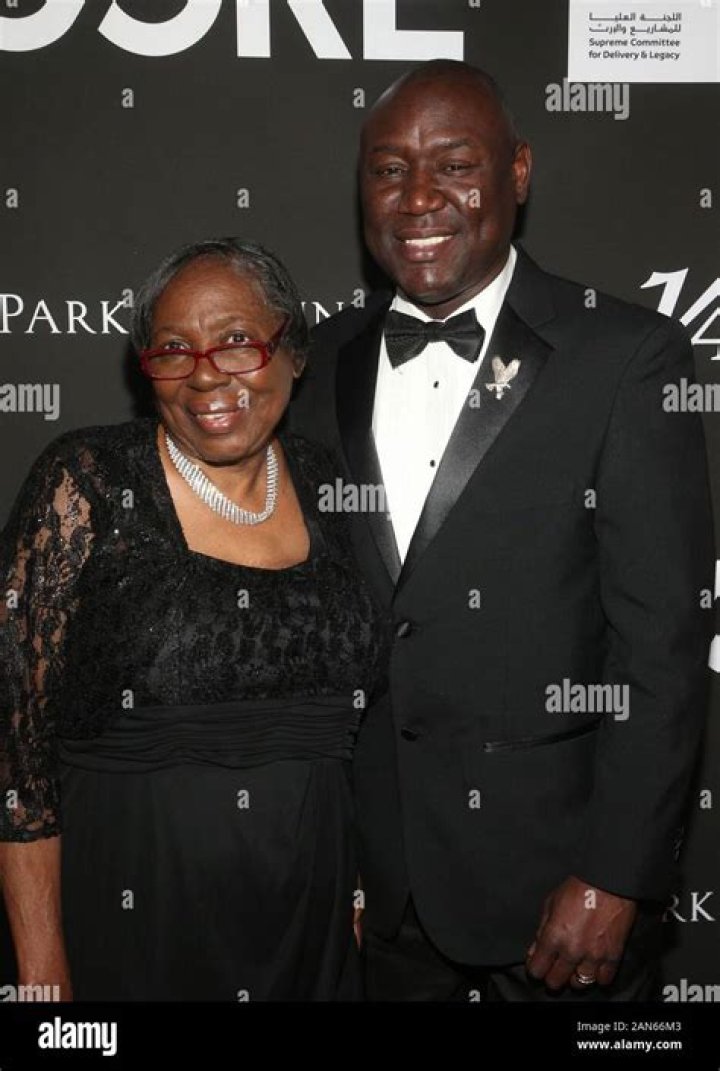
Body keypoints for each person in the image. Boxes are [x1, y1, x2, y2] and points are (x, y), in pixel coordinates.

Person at [289, 61, 715, 1001]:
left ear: (517, 172)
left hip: (561, 896)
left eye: (455, 165)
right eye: (389, 169)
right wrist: (339, 862)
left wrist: (616, 875)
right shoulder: (318, 364)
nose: (418, 197)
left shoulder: (625, 356)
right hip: (381, 903)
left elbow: (663, 647)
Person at [0, 237, 385, 1001]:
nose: (205, 373)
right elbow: (16, 757)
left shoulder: (330, 484)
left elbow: (359, 738)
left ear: (292, 351)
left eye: (237, 340)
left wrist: (358, 890)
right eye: (173, 349)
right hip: (134, 919)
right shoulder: (86, 482)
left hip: (309, 920)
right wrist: (42, 974)